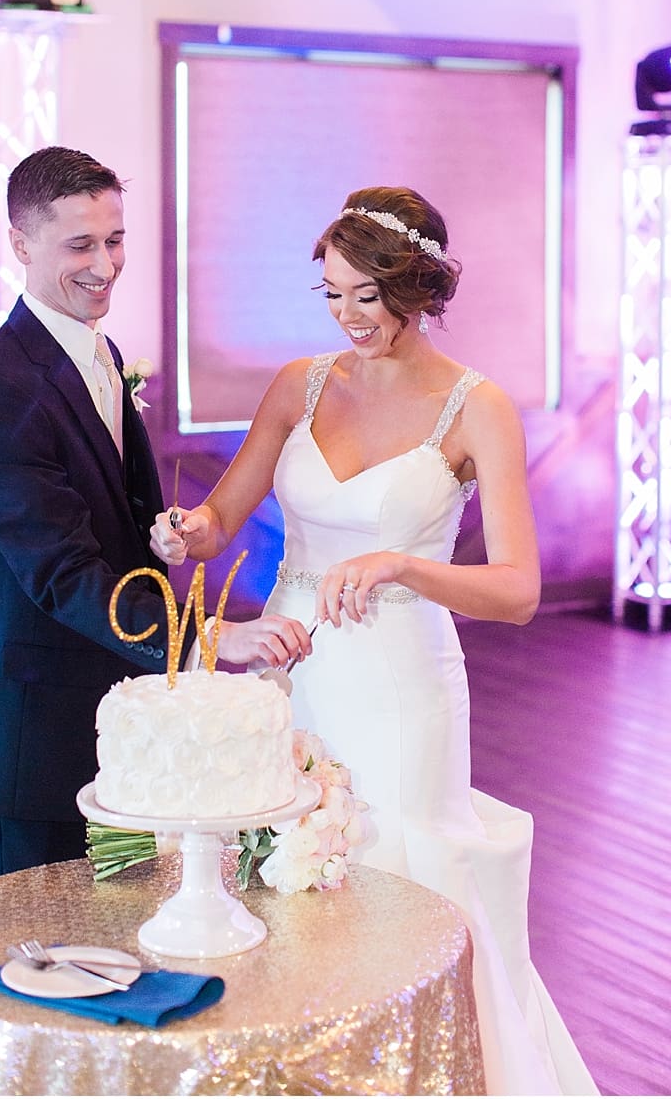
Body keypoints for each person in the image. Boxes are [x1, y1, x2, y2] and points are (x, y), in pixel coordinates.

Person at [168, 186, 595, 1095]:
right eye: (330, 293)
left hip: (399, 681)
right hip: (285, 665)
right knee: (274, 874)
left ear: (416, 286)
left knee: (399, 883)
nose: (347, 316)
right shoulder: (300, 384)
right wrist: (184, 532)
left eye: (367, 294)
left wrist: (404, 567)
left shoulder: (477, 409)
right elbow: (219, 517)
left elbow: (519, 591)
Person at [0, 147, 311, 884]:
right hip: (36, 740)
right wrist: (210, 638)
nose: (105, 266)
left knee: (117, 947)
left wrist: (157, 534)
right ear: (18, 245)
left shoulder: (99, 352)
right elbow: (63, 575)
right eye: (79, 244)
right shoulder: (0, 392)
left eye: (114, 240)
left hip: (121, 726)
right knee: (36, 966)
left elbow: (104, 525)